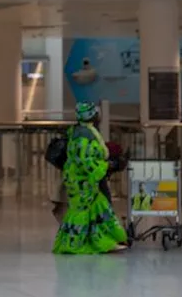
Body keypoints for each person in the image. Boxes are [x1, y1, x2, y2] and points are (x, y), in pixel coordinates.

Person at [53, 102, 128, 254]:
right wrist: (107, 166)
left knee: (98, 208)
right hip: (83, 182)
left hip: (82, 180)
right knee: (83, 212)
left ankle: (103, 241)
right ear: (92, 115)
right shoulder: (84, 136)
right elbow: (85, 161)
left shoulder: (79, 132)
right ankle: (76, 244)